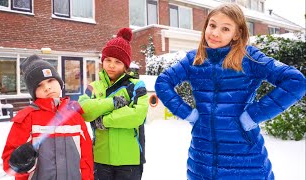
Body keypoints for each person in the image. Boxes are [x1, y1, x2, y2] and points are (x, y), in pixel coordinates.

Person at [155, 3, 305, 180]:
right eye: (212, 25)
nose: (215, 33)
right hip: (202, 161)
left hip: (245, 162)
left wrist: (252, 116)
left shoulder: (249, 58)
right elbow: (163, 82)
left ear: (237, 34)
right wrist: (189, 115)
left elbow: (296, 81)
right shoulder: (194, 59)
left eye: (225, 28)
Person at [1, 55, 94, 180]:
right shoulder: (27, 118)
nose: (47, 87)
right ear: (33, 92)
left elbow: (86, 158)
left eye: (50, 81)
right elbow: (9, 164)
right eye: (39, 85)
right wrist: (20, 163)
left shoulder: (74, 115)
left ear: (60, 82)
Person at [78, 27, 149, 180]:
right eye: (108, 60)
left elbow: (137, 116)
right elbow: (83, 110)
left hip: (130, 160)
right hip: (100, 159)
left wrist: (103, 120)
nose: (111, 65)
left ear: (125, 65)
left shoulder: (136, 86)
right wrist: (112, 103)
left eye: (117, 62)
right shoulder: (94, 87)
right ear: (102, 61)